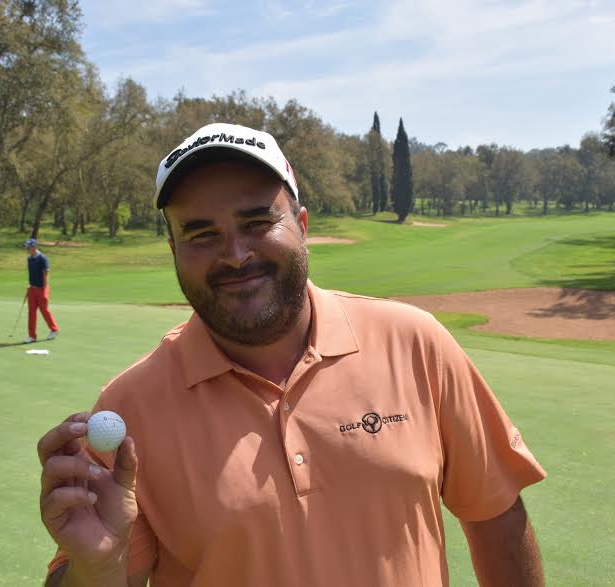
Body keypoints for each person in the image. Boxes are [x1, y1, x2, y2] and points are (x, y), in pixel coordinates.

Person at [38, 123, 547, 586]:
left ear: (301, 224)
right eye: (201, 233)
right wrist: (96, 569)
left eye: (257, 221)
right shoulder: (131, 407)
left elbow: (496, 515)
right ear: (173, 250)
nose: (235, 254)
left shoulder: (415, 343)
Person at [24, 238, 59, 343]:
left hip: (42, 288)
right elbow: (32, 274)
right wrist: (29, 287)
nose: (27, 249)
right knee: (31, 312)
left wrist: (44, 290)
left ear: (34, 247)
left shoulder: (43, 259)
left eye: (28, 247)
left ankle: (54, 329)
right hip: (32, 288)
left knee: (44, 310)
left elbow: (45, 275)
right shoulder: (29, 259)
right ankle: (32, 336)